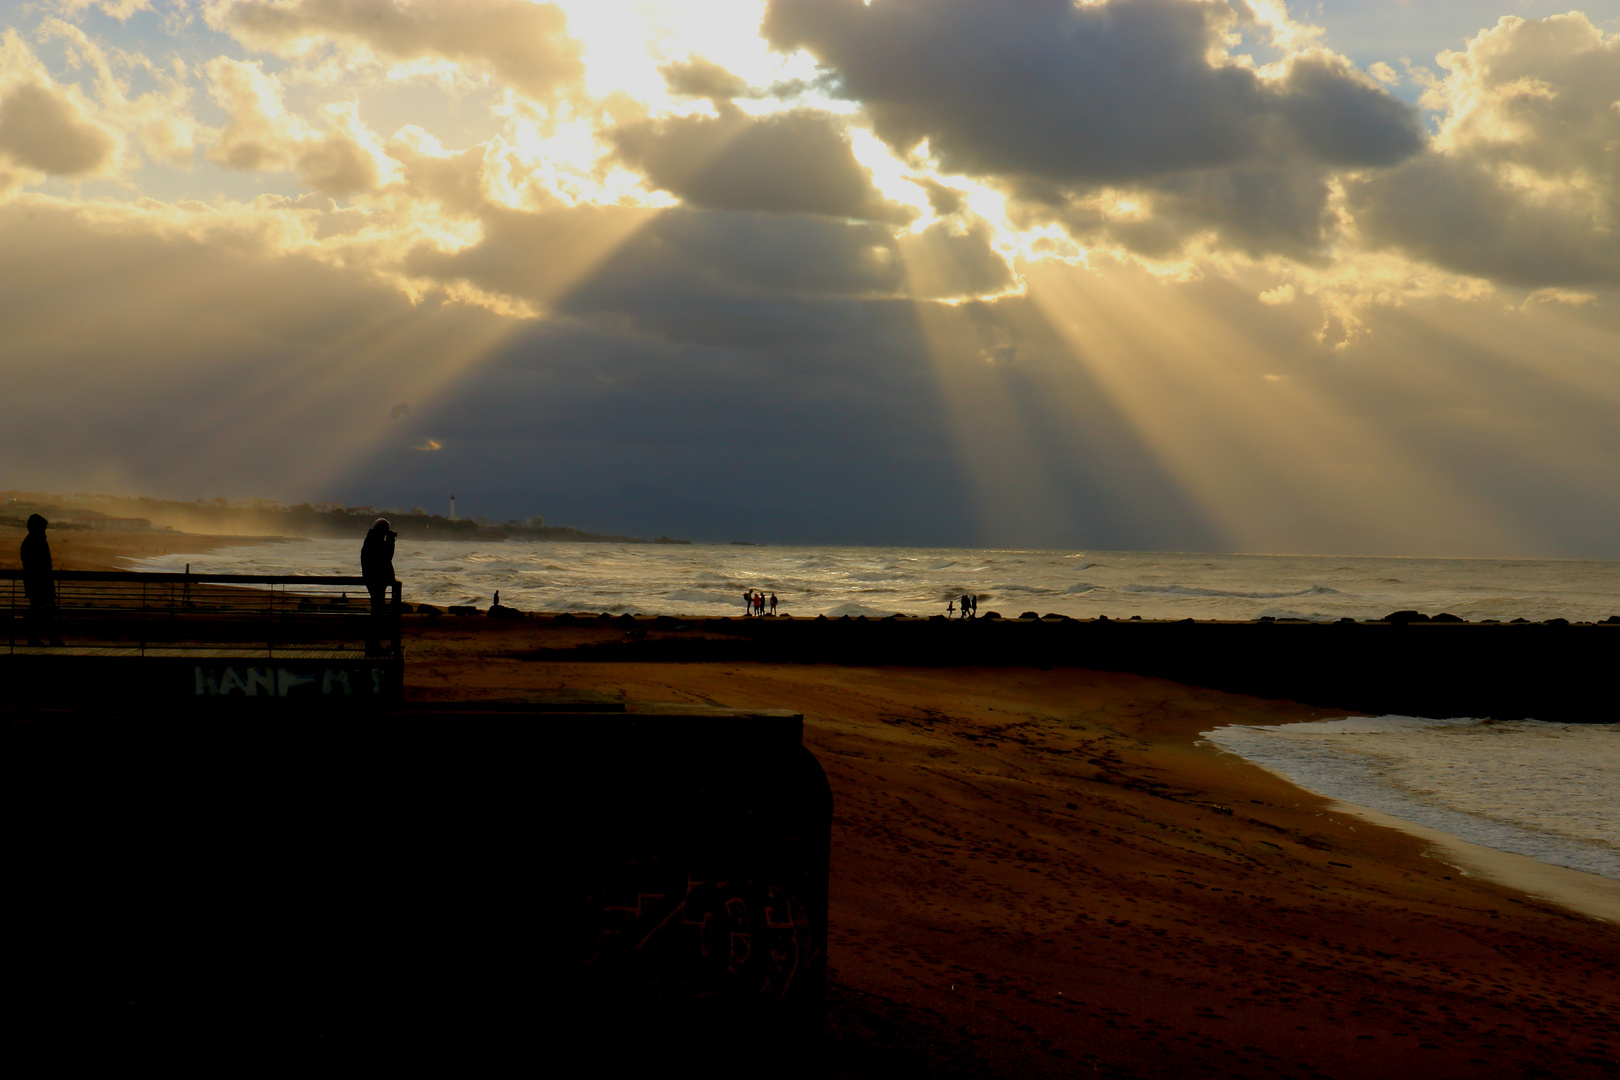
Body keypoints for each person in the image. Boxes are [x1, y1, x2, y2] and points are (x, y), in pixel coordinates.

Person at [20, 514, 61, 647]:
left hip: (34, 583)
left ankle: (37, 638)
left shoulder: (29, 541)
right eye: (43, 528)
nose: (44, 531)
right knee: (47, 611)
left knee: (37, 611)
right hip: (41, 583)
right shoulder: (37, 542)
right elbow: (43, 565)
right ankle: (51, 638)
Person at [361, 517, 398, 654]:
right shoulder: (376, 541)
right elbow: (387, 557)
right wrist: (391, 540)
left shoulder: (371, 538)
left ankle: (373, 644)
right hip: (376, 580)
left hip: (373, 579)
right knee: (377, 613)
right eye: (386, 529)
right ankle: (372, 646)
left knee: (378, 611)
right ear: (382, 529)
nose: (388, 531)